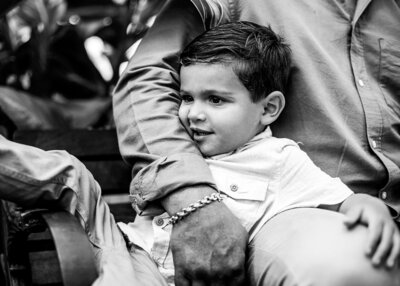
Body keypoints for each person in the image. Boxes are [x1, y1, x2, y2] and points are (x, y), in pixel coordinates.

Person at [112, 0, 400, 285]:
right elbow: (148, 81)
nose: (194, 113)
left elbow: (346, 199)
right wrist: (192, 198)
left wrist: (367, 205)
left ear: (269, 108)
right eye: (187, 98)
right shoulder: (245, 153)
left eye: (214, 100)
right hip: (293, 220)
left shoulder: (390, 10)